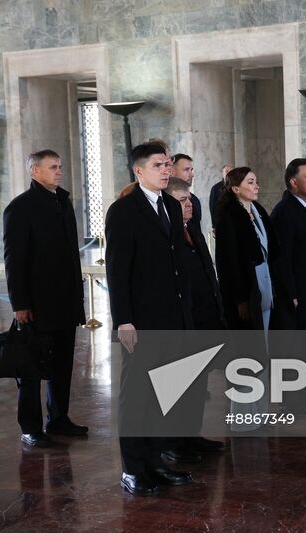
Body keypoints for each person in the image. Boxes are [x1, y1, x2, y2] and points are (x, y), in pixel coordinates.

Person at [105, 142, 194, 496]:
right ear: (138, 171)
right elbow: (117, 270)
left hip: (173, 318)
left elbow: (178, 267)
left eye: (168, 163)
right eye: (158, 165)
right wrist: (123, 320)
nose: (166, 169)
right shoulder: (123, 211)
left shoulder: (173, 206)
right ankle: (133, 468)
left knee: (164, 394)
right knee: (137, 396)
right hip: (141, 320)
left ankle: (156, 461)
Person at [3, 149, 87, 448]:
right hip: (37, 304)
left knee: (63, 365)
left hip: (65, 301)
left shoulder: (62, 203)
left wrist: (78, 300)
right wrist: (20, 304)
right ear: (34, 171)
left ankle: (58, 418)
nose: (59, 172)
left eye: (60, 166)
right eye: (53, 167)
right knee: (31, 367)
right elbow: (14, 260)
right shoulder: (20, 207)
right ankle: (30, 427)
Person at [163, 177, 226, 460]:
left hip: (203, 319)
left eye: (189, 199)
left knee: (198, 384)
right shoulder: (167, 235)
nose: (189, 205)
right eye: (181, 201)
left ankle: (192, 435)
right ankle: (173, 444)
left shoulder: (193, 230)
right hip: (181, 323)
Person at [214, 167, 279, 331]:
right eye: (250, 182)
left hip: (265, 283)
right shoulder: (229, 216)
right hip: (247, 286)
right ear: (236, 189)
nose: (256, 186)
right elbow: (229, 261)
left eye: (256, 182)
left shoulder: (259, 210)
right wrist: (240, 298)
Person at [271, 158, 306, 330]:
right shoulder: (284, 212)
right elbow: (282, 259)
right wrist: (291, 294)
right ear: (294, 182)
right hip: (301, 296)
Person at [171, 153, 202, 225]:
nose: (192, 175)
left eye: (191, 170)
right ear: (172, 172)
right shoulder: (163, 199)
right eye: (186, 169)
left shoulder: (194, 200)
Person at [210, 164, 233, 235]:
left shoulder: (237, 186)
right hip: (221, 222)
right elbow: (213, 207)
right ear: (222, 174)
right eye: (226, 171)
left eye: (231, 171)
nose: (229, 173)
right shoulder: (216, 188)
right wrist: (214, 225)